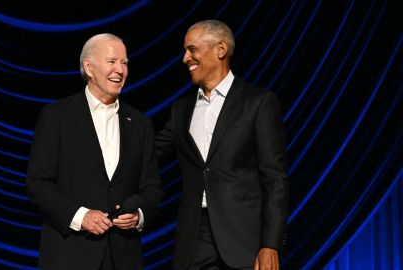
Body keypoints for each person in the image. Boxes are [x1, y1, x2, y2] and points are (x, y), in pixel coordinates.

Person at [156, 20, 289, 270]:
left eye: (192, 49)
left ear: (220, 49)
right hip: (193, 240)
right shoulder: (181, 109)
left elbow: (275, 179)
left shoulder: (258, 103)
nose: (185, 58)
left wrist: (271, 244)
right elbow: (149, 155)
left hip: (244, 241)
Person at [26, 33, 163, 270]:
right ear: (88, 67)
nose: (120, 70)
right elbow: (37, 183)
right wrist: (81, 216)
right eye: (112, 61)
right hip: (70, 254)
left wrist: (138, 215)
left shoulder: (140, 123)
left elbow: (152, 187)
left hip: (123, 258)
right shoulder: (57, 116)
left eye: (125, 63)